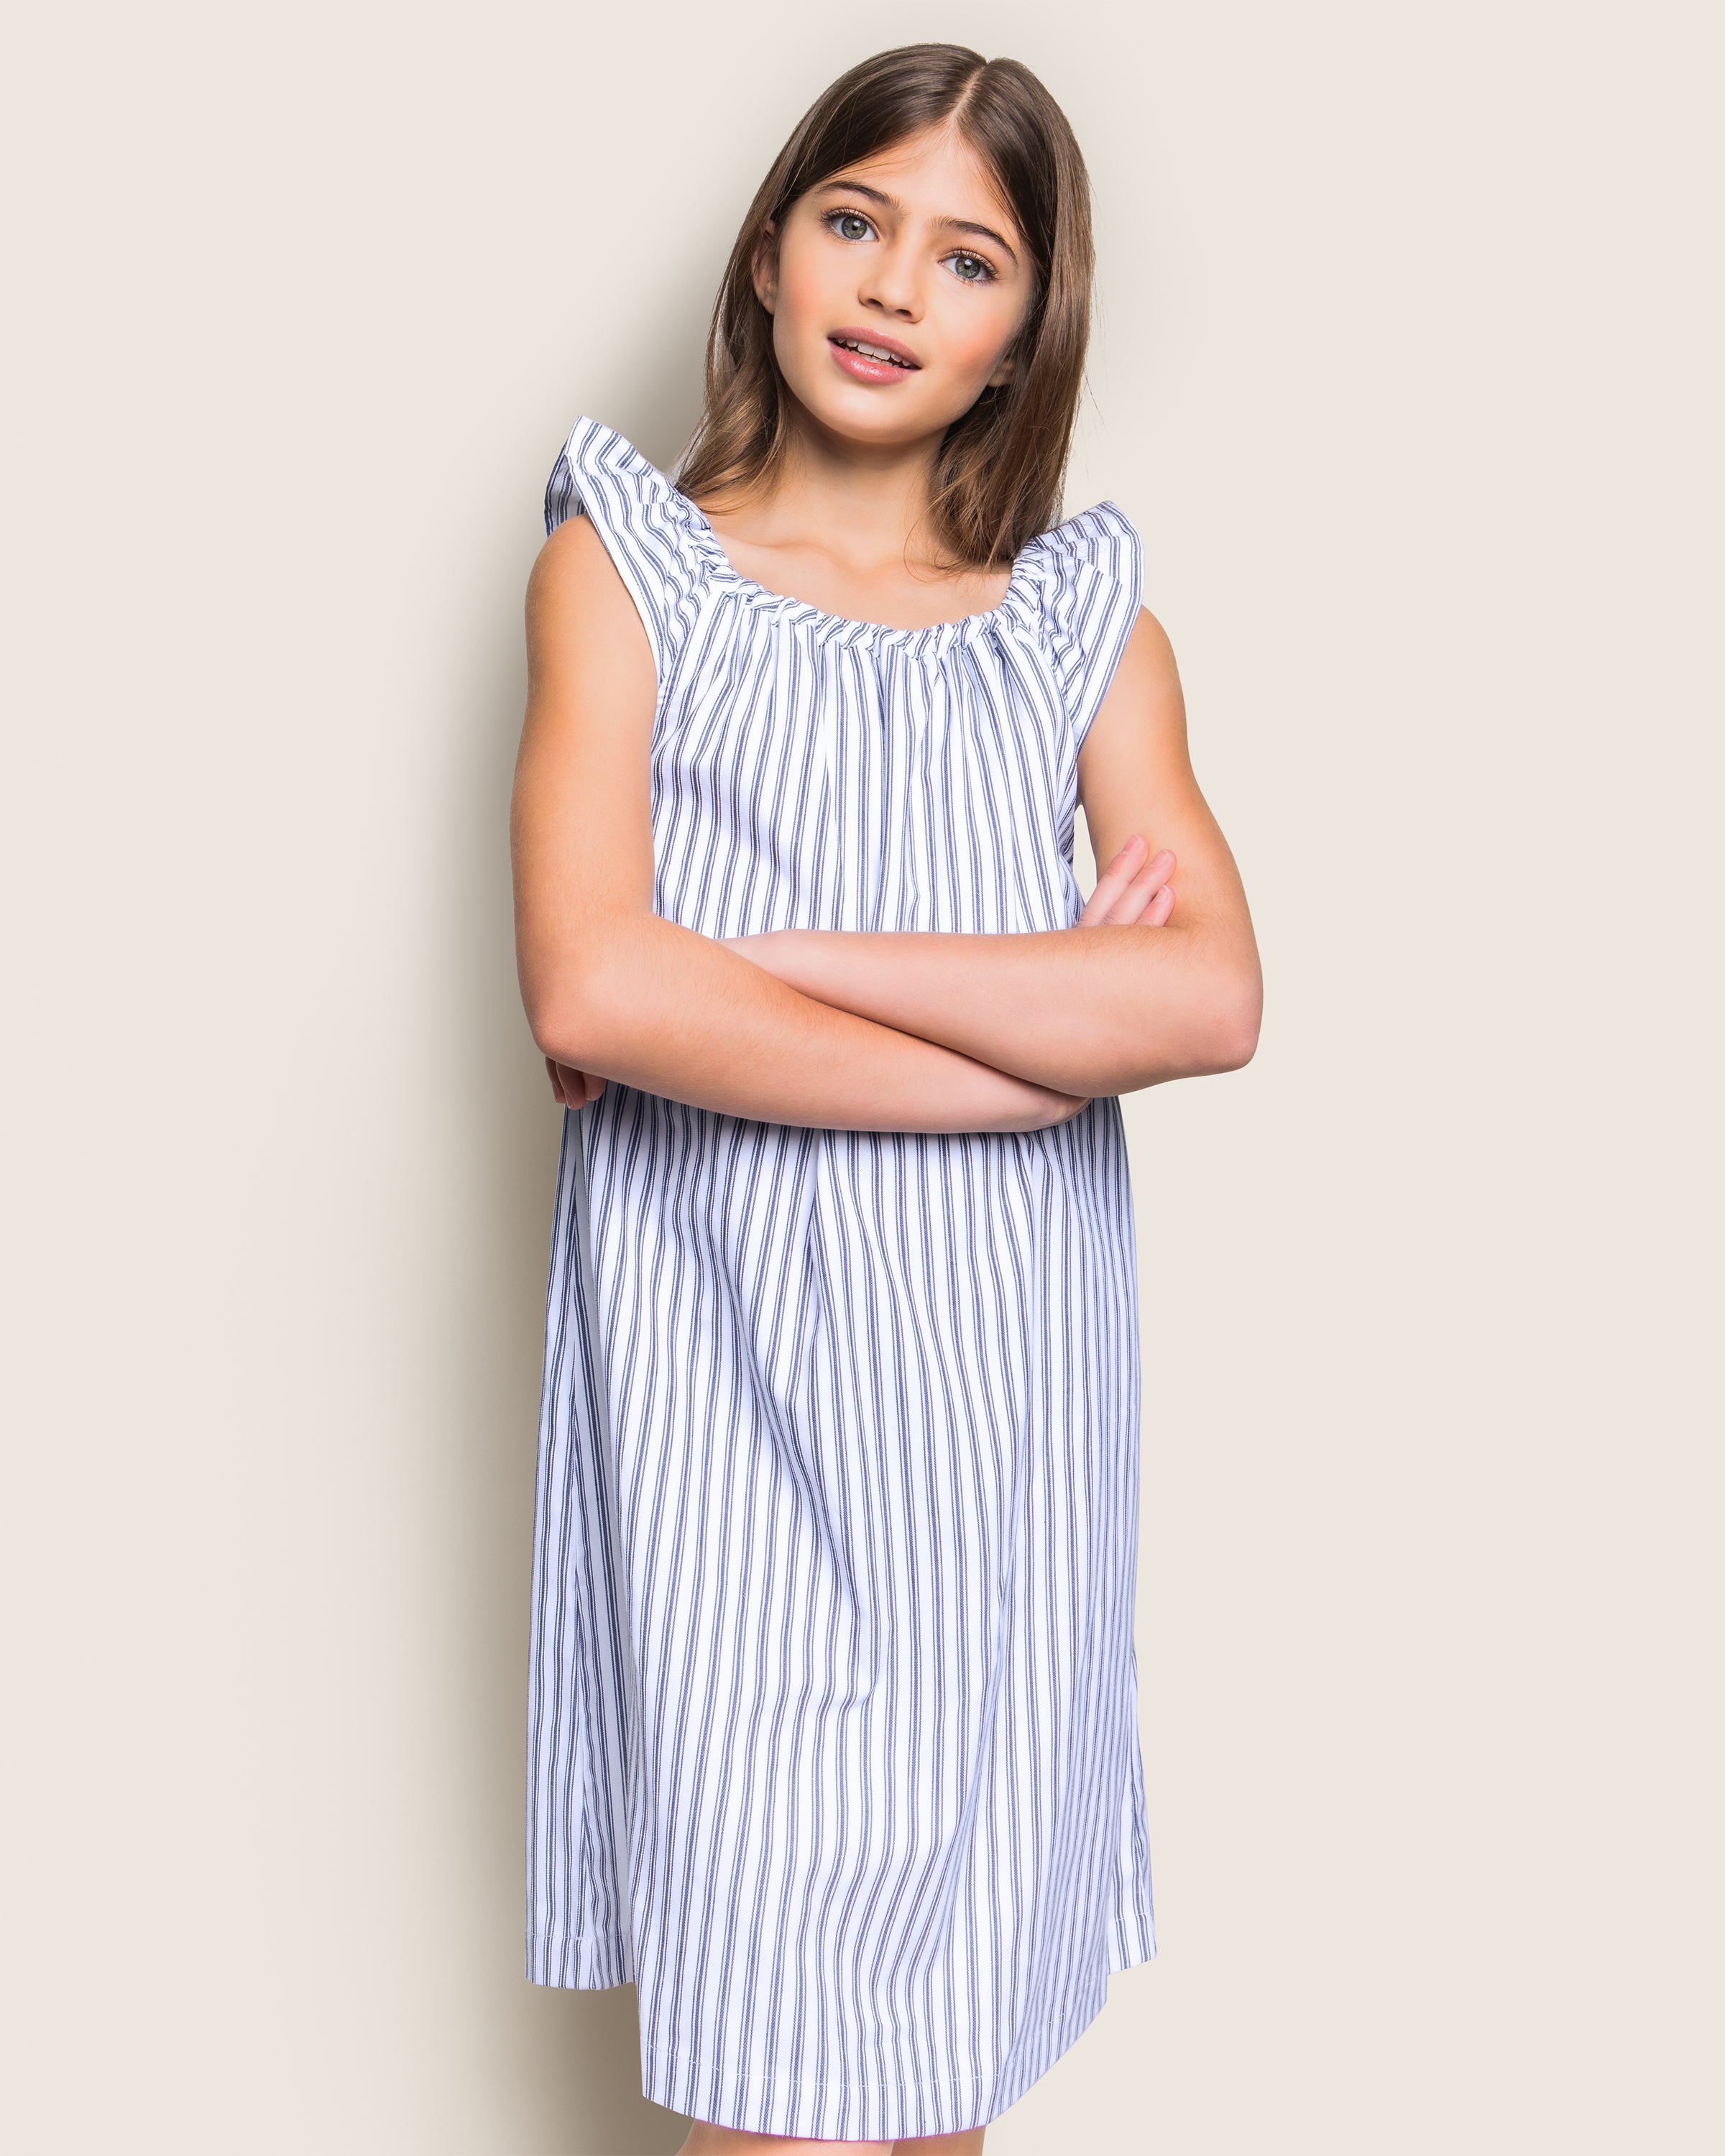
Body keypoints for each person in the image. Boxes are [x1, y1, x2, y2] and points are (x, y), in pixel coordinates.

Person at [509, 42, 1261, 2156]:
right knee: (776, 2058)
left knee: (937, 2077)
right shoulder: (631, 572)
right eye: (856, 220)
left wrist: (752, 962)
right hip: (727, 1399)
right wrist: (1029, 1044)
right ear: (769, 254)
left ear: (1027, 335)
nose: (894, 285)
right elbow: (588, 976)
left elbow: (1206, 995)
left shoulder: (1075, 633)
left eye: (969, 256)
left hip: (997, 1433)